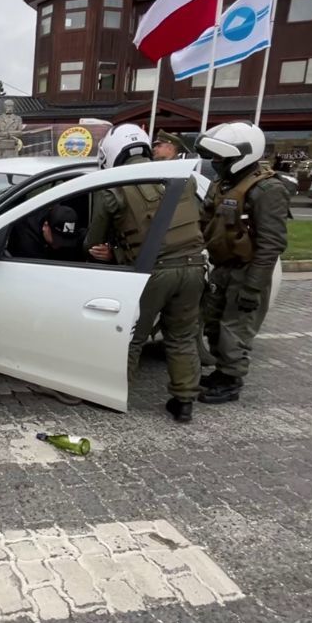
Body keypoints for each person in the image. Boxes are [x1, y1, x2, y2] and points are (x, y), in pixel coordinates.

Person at [85, 124, 207, 422]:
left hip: (152, 273)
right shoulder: (184, 177)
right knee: (181, 336)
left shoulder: (114, 186)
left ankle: (113, 394)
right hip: (194, 267)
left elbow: (92, 241)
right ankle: (184, 401)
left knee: (131, 336)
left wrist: (114, 251)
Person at [196, 121, 291, 404]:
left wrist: (252, 287)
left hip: (248, 272)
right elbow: (205, 222)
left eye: (221, 158)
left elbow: (271, 243)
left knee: (234, 330)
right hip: (223, 269)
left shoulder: (267, 190)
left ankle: (231, 379)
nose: (216, 163)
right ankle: (222, 371)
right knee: (213, 324)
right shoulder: (223, 184)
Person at [7, 205, 81, 261]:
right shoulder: (28, 242)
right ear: (45, 226)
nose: (60, 244)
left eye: (66, 240)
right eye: (57, 239)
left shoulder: (52, 216)